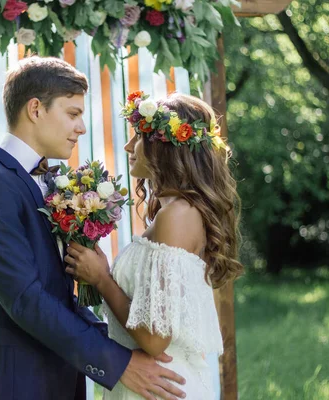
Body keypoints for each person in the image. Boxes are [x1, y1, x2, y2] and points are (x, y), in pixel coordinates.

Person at [0, 57, 186, 400]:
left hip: (57, 378)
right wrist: (119, 363)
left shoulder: (41, 180)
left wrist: (120, 341)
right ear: (35, 109)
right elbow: (26, 300)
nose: (82, 127)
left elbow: (56, 293)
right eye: (73, 114)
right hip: (15, 384)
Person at [65, 91, 244, 399]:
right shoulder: (174, 212)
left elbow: (155, 338)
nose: (127, 146)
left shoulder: (177, 216)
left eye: (138, 137)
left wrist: (102, 279)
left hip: (161, 387)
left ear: (166, 146)